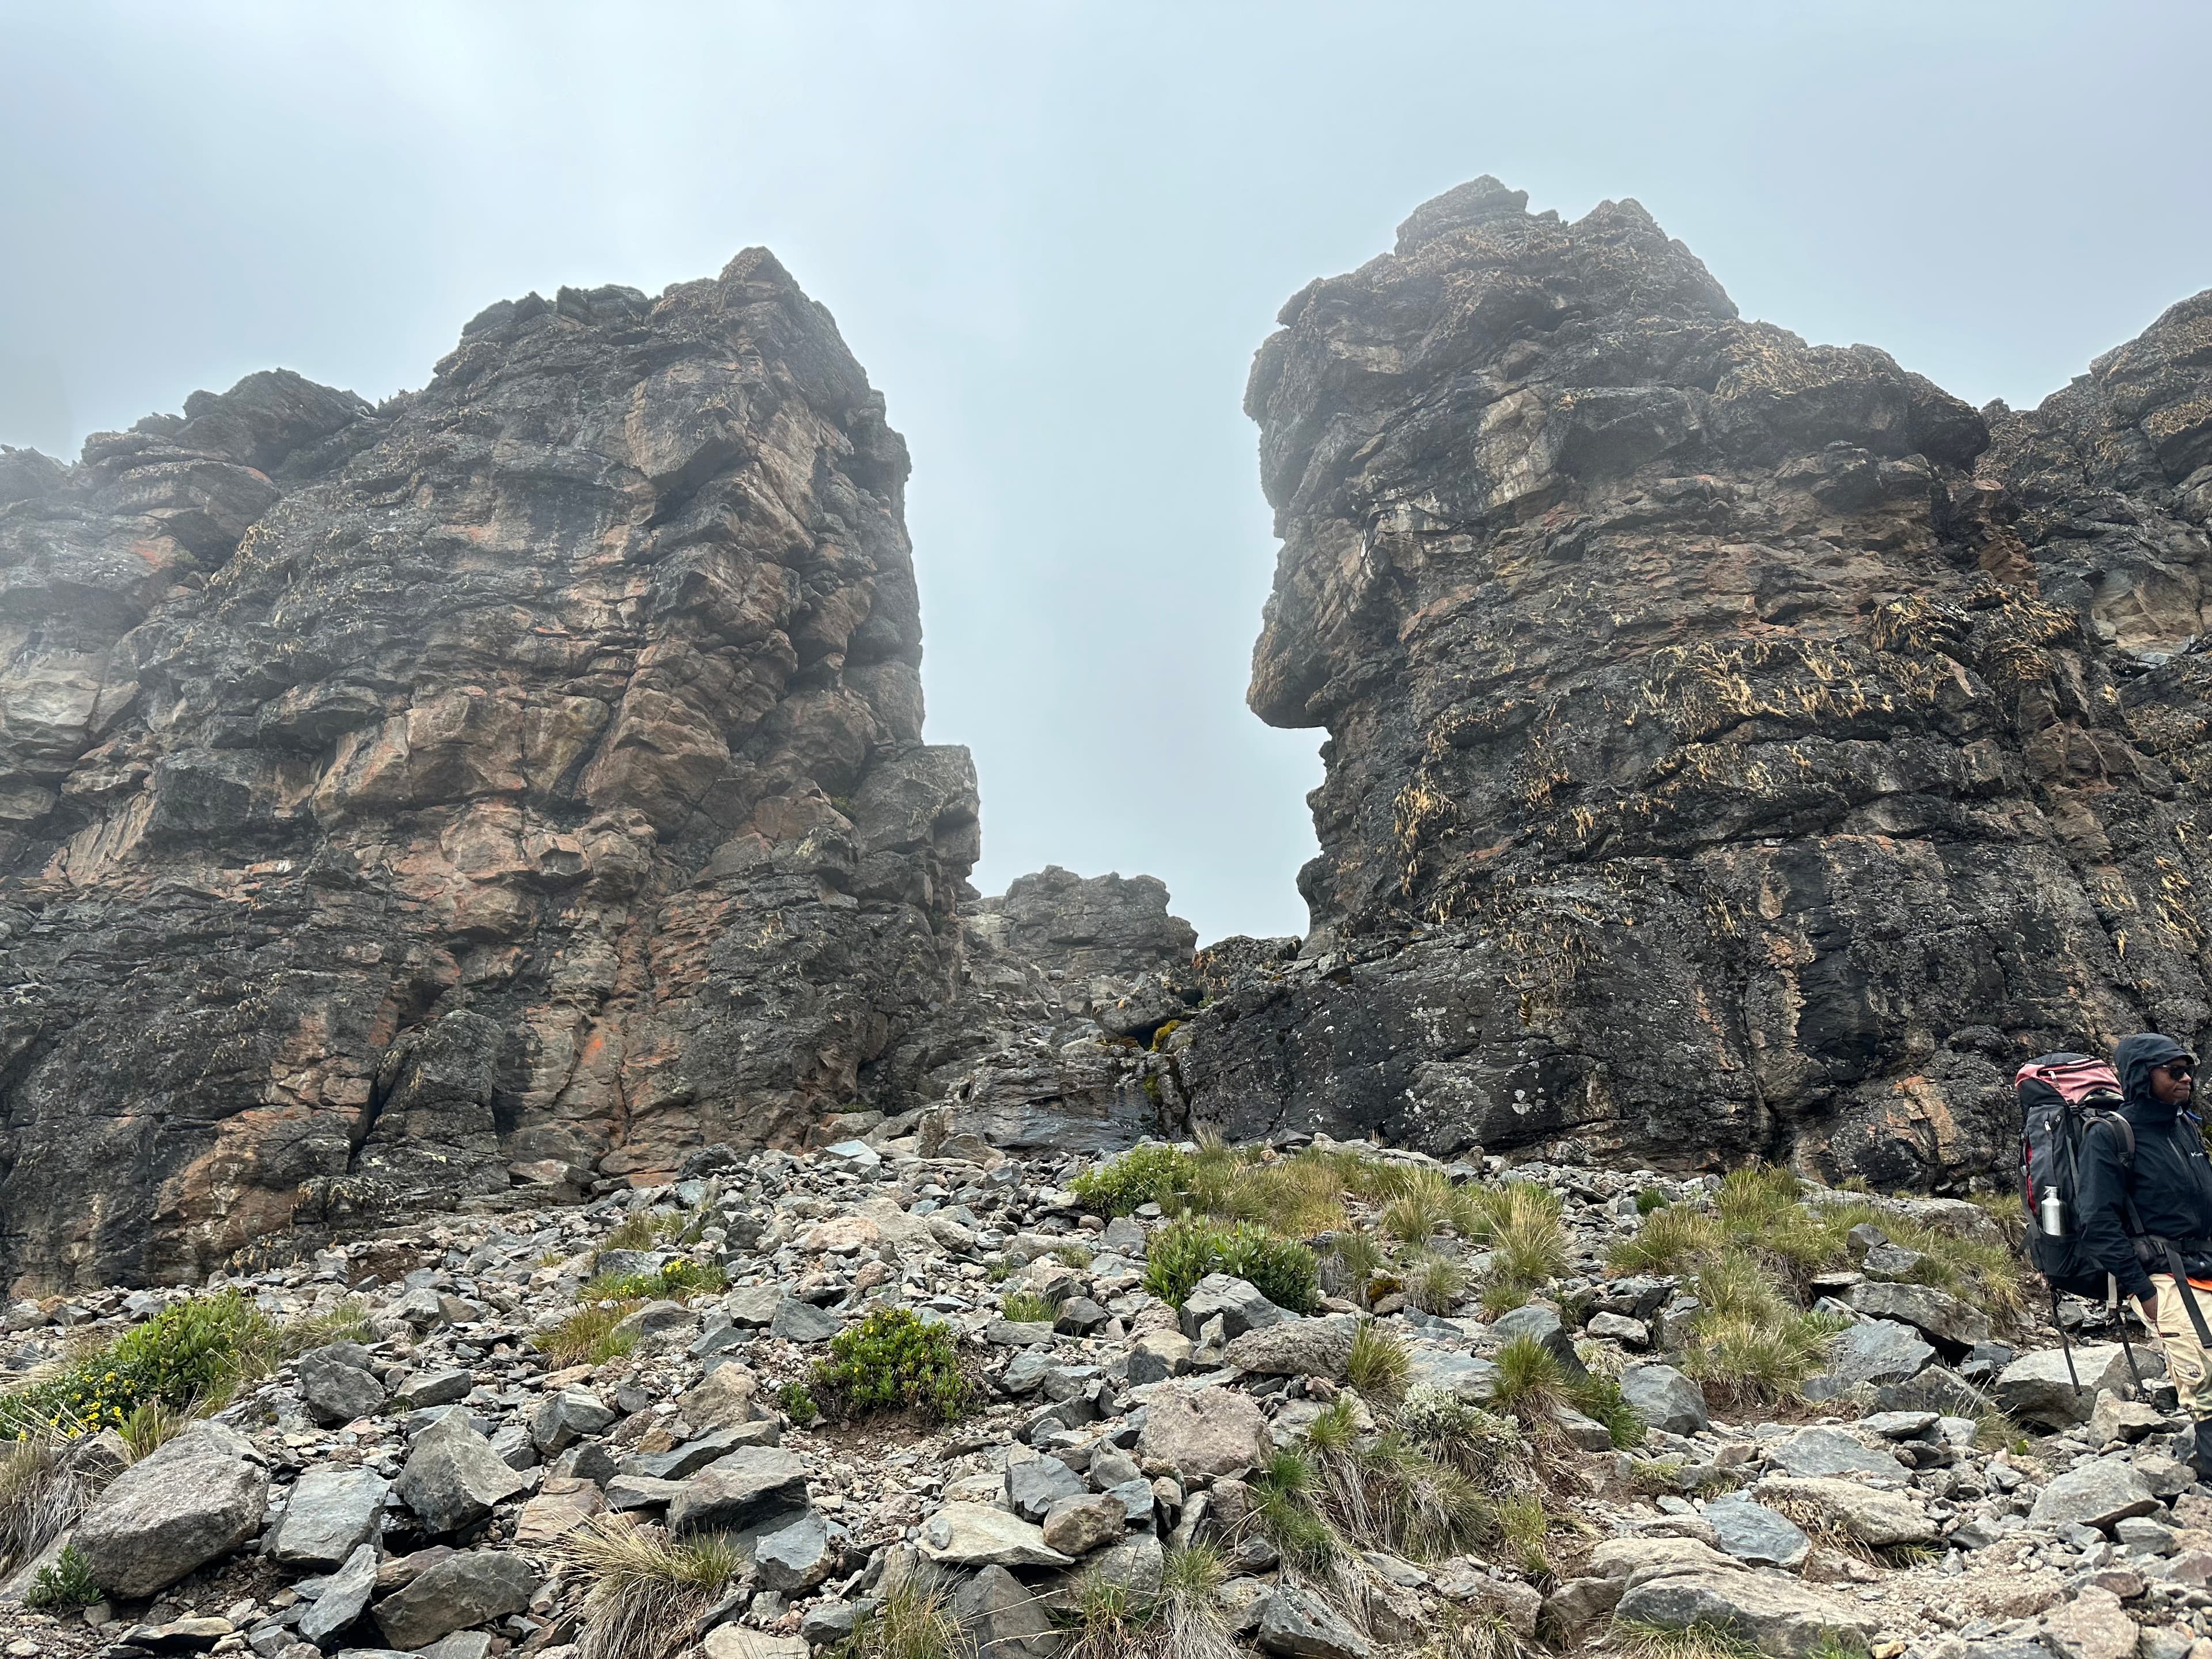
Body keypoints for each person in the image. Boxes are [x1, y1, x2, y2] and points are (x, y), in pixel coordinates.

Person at [2077, 1032, 2212, 1470]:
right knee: (2204, 1373)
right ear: (2141, 1076)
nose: (2186, 1078)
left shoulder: (2184, 1124)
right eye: (2173, 1071)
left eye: (2188, 1069)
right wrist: (2143, 1292)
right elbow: (2097, 1222)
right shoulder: (2111, 1134)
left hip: (2204, 1263)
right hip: (2162, 1274)